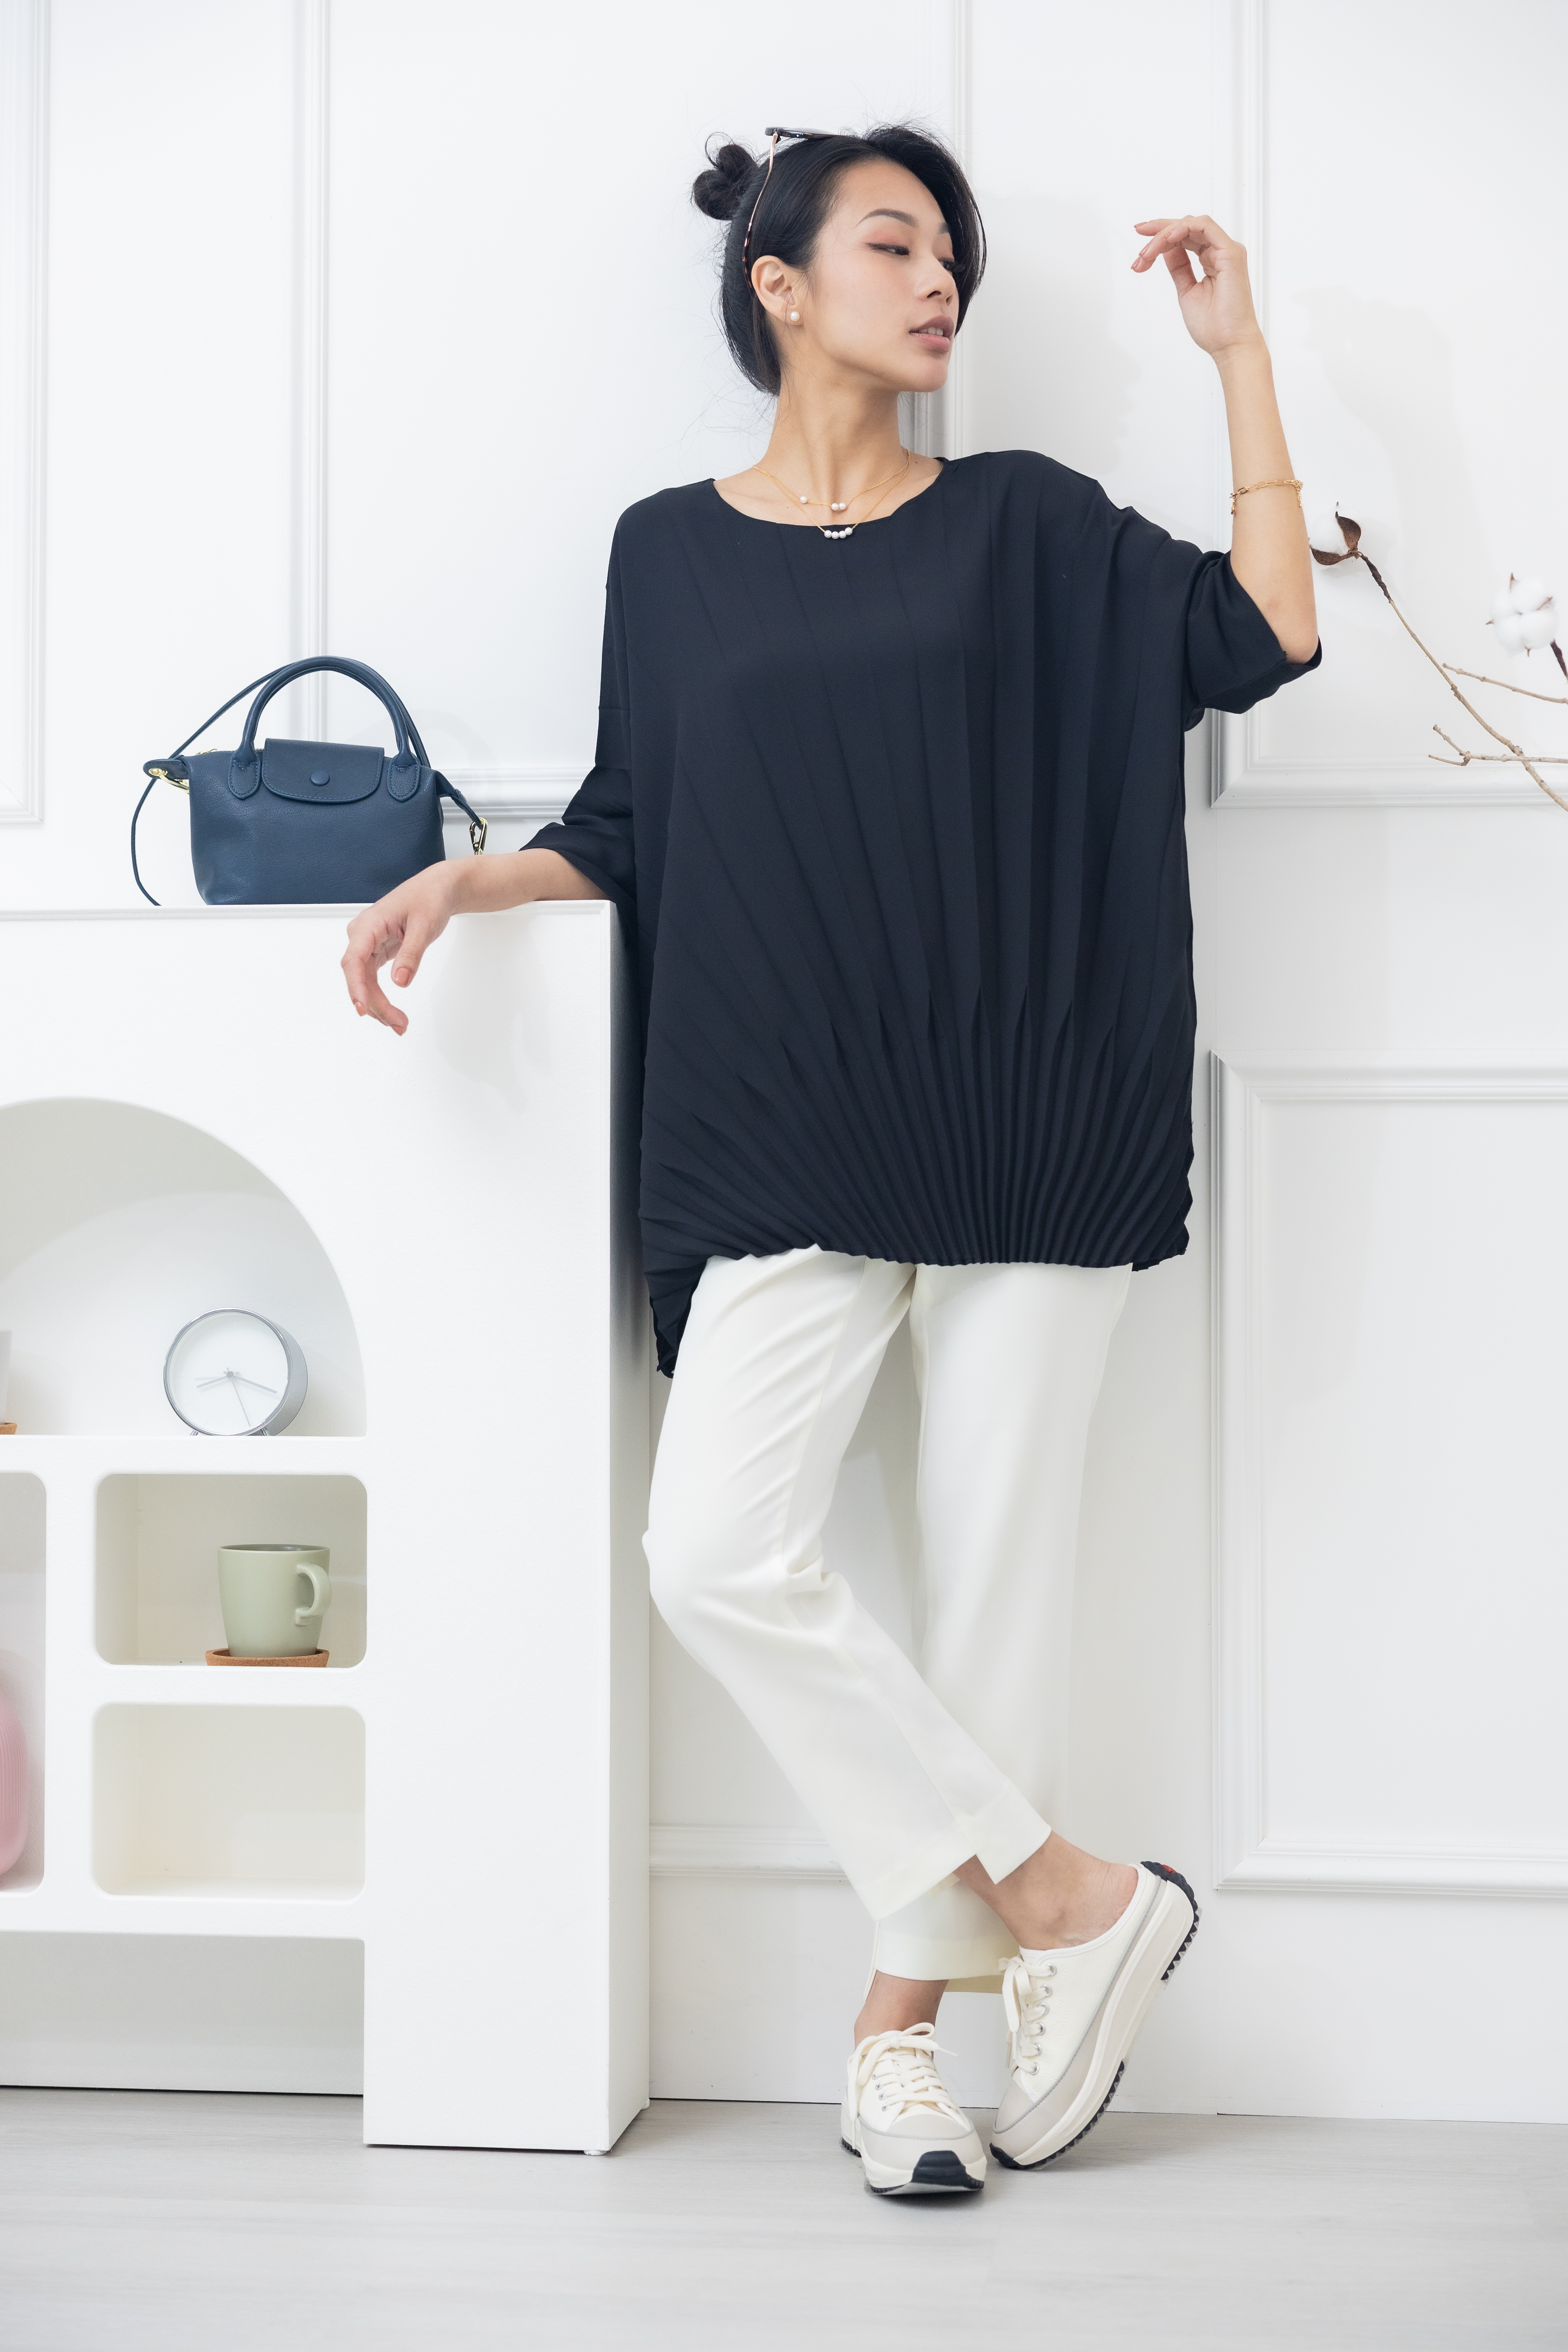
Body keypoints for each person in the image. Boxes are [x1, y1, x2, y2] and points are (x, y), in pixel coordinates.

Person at [341, 123, 1319, 2197]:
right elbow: (630, 817)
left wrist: (1240, 358)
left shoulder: (1028, 522)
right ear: (778, 284)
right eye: (895, 242)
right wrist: (470, 880)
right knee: (714, 1550)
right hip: (788, 1113)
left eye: (955, 252)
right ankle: (1074, 1900)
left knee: (992, 1604)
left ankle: (895, 2052)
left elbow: (1264, 633)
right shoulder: (665, 554)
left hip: (1036, 1113)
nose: (941, 278)